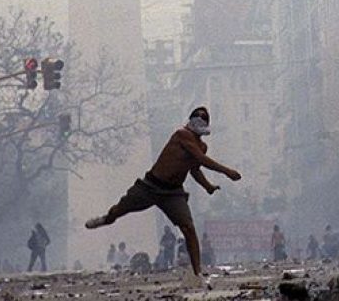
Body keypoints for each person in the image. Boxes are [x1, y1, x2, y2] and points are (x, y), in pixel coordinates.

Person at [84, 107, 242, 279]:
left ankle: (198, 272)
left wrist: (207, 186)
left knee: (188, 228)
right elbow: (201, 159)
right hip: (150, 185)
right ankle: (107, 219)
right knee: (121, 208)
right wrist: (227, 171)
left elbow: (195, 169)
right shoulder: (182, 135)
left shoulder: (202, 146)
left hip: (173, 193)